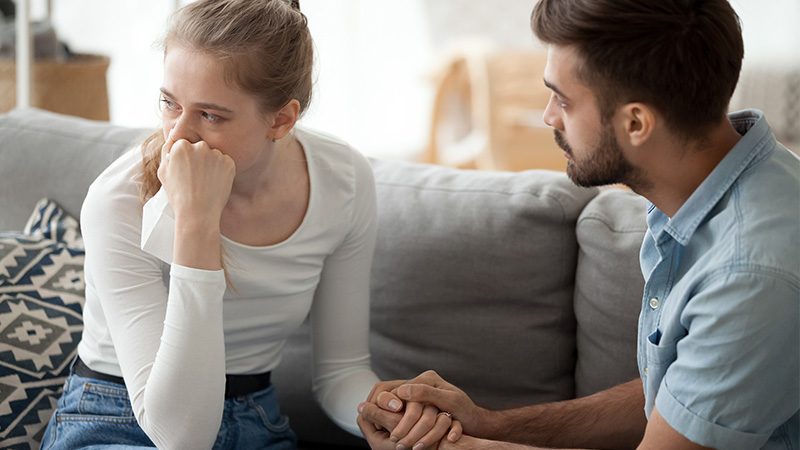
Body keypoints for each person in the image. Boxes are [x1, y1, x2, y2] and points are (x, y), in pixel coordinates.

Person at [358, 0, 800, 449]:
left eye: (563, 99)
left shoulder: (749, 274)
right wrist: (488, 425)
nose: (549, 116)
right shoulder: (722, 184)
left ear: (635, 122)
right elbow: (683, 396)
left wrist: (441, 445)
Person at [40, 1, 452, 448]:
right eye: (169, 104)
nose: (177, 136)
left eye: (211, 115)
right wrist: (196, 222)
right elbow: (180, 437)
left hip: (255, 420)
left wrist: (389, 414)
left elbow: (340, 371)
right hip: (117, 420)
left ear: (281, 119)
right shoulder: (118, 200)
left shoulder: (343, 181)